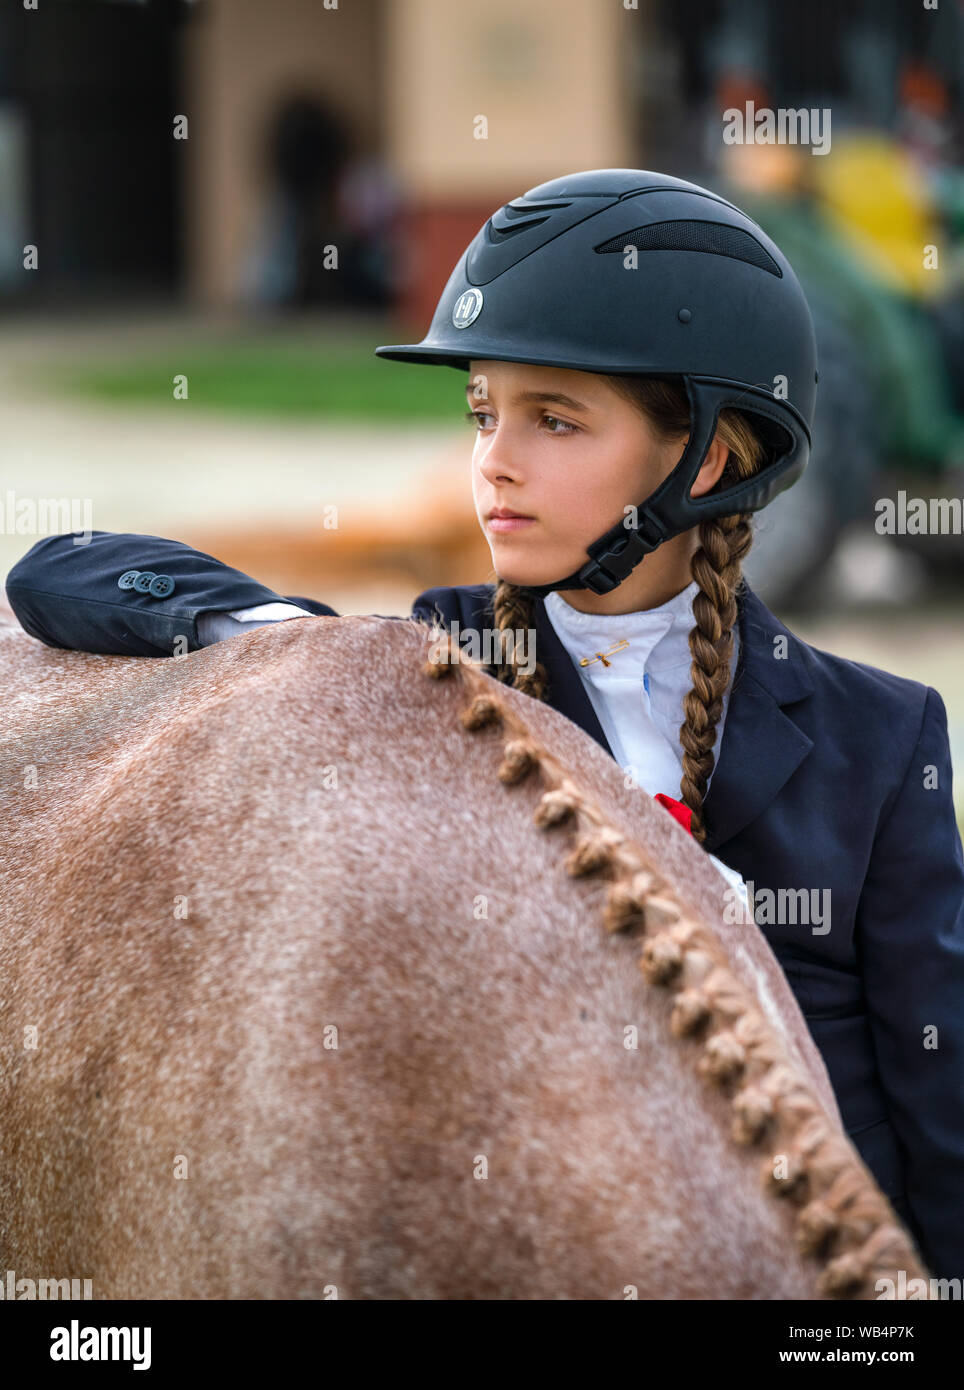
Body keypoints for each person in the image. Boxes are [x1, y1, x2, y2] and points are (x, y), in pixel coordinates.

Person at [7, 168, 963, 1281]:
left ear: (704, 458)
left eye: (553, 418)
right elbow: (58, 574)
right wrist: (294, 639)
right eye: (482, 413)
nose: (492, 461)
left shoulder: (884, 742)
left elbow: (942, 1136)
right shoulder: (428, 679)